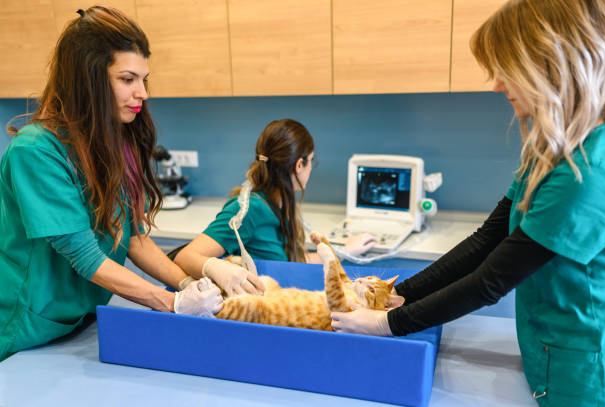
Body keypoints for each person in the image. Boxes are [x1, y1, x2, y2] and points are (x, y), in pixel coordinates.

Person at [330, 0, 605, 405]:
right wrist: (404, 293)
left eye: (505, 69)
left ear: (551, 65)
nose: (497, 85)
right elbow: (489, 238)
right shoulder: (549, 149)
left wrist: (386, 323)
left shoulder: (589, 171)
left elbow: (491, 280)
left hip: (580, 377)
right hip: (544, 352)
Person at [0, 6, 224, 362]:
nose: (143, 93)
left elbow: (134, 238)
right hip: (25, 328)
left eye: (144, 79)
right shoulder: (35, 152)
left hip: (79, 322)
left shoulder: (110, 142)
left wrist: (188, 281)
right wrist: (173, 302)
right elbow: (87, 257)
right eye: (127, 79)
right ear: (88, 79)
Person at [173, 119, 376, 296]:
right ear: (299, 165)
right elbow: (185, 257)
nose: (311, 167)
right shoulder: (248, 210)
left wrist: (342, 252)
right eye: (311, 160)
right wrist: (218, 270)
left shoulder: (280, 203)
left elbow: (287, 260)